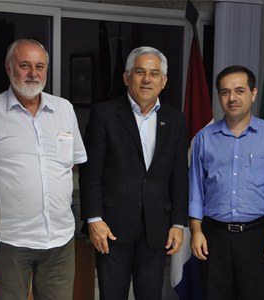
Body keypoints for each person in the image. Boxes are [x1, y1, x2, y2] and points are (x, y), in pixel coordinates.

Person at [0, 39, 87, 300]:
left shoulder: (64, 110)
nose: (33, 74)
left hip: (59, 239)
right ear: (9, 68)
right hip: (10, 241)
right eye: (25, 65)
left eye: (39, 66)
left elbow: (74, 163)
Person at [79, 46, 189, 300]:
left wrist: (177, 223)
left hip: (156, 228)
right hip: (111, 228)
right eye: (140, 72)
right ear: (127, 77)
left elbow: (179, 176)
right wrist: (94, 220)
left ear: (164, 81)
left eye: (154, 73)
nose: (147, 79)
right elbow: (91, 172)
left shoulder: (175, 120)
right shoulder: (104, 114)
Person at [189, 65, 264, 300]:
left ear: (253, 94)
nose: (232, 98)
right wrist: (196, 231)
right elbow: (195, 190)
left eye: (239, 91)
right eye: (225, 92)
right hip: (214, 237)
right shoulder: (204, 138)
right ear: (220, 97)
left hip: (259, 239)